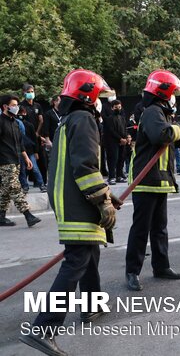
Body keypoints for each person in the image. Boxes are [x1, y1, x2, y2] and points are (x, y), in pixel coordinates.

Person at [19, 70, 119, 356]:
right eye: (98, 96)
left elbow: (77, 165)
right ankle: (43, 329)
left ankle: (91, 307)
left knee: (88, 254)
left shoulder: (68, 120)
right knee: (77, 260)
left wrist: (107, 194)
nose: (101, 102)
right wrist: (102, 200)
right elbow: (86, 166)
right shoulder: (84, 119)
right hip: (79, 204)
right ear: (87, 96)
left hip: (70, 199)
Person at [125, 70, 180, 291]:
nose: (175, 98)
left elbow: (174, 141)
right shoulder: (152, 112)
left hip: (160, 180)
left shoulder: (163, 115)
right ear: (163, 93)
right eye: (173, 93)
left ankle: (161, 266)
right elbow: (163, 136)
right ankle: (132, 272)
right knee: (141, 229)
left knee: (160, 228)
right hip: (145, 179)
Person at [0, 95, 41, 227]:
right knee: (15, 187)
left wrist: (26, 158)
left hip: (16, 160)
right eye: (13, 105)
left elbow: (20, 143)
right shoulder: (1, 122)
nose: (16, 107)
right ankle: (28, 215)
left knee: (6, 190)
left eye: (17, 105)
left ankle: (1, 216)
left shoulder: (16, 123)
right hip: (5, 161)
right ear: (5, 107)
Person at [17, 105, 46, 192]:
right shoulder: (15, 124)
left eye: (22, 113)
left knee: (35, 168)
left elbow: (34, 139)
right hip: (20, 151)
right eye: (19, 113)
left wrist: (36, 151)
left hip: (30, 150)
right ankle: (25, 185)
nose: (21, 114)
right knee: (22, 170)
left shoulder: (29, 125)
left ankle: (41, 184)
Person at [103, 100, 128, 185]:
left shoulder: (122, 118)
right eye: (116, 107)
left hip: (122, 142)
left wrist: (126, 137)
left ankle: (119, 176)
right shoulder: (109, 119)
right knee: (113, 159)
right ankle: (111, 177)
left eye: (119, 107)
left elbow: (124, 129)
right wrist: (120, 139)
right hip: (112, 142)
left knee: (121, 159)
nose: (118, 109)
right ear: (112, 108)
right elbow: (111, 131)